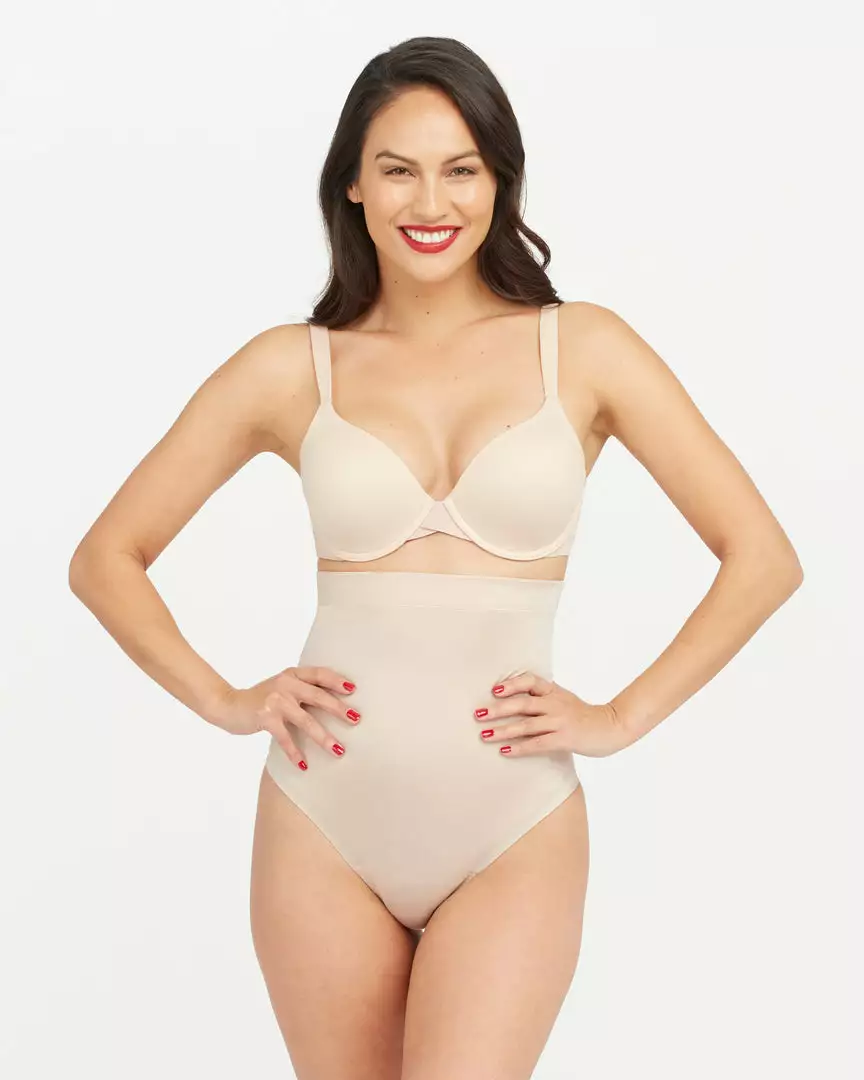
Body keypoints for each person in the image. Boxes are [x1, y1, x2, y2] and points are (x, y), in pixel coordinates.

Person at [68, 35, 804, 1080]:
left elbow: (762, 556)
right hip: (322, 818)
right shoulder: (293, 368)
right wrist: (228, 700)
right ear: (354, 186)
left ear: (499, 181)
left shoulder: (583, 349)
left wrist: (618, 718)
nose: (431, 201)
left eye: (461, 169)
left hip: (513, 821)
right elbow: (107, 556)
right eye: (398, 169)